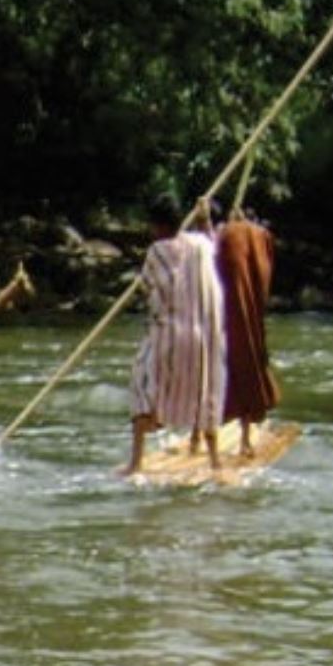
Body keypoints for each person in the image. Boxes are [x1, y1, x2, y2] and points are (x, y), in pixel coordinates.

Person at [126, 194, 226, 474]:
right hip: (204, 337)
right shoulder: (201, 244)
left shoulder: (157, 251)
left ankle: (135, 463)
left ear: (157, 226)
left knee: (140, 382)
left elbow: (147, 286)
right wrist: (205, 219)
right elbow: (213, 241)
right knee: (204, 388)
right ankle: (215, 460)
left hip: (171, 334)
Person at [214, 203, 281, 456]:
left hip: (228, 314)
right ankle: (238, 437)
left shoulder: (231, 236)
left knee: (231, 366)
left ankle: (205, 438)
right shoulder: (258, 237)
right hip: (244, 314)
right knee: (243, 362)